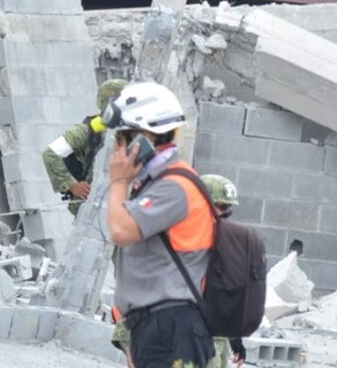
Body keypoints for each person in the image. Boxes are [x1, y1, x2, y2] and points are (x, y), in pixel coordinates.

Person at [107, 81, 216, 368]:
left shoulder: (175, 187)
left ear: (146, 137)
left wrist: (118, 180)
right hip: (155, 326)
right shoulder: (155, 184)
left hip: (172, 326)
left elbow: (121, 231)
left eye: (124, 137)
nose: (118, 147)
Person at [43, 79, 127, 214]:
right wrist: (71, 185)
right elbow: (51, 153)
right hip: (94, 211)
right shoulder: (90, 129)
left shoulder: (133, 128)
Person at [200, 174, 246, 368]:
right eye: (221, 207)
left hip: (217, 340)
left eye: (228, 208)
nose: (225, 213)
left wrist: (236, 342)